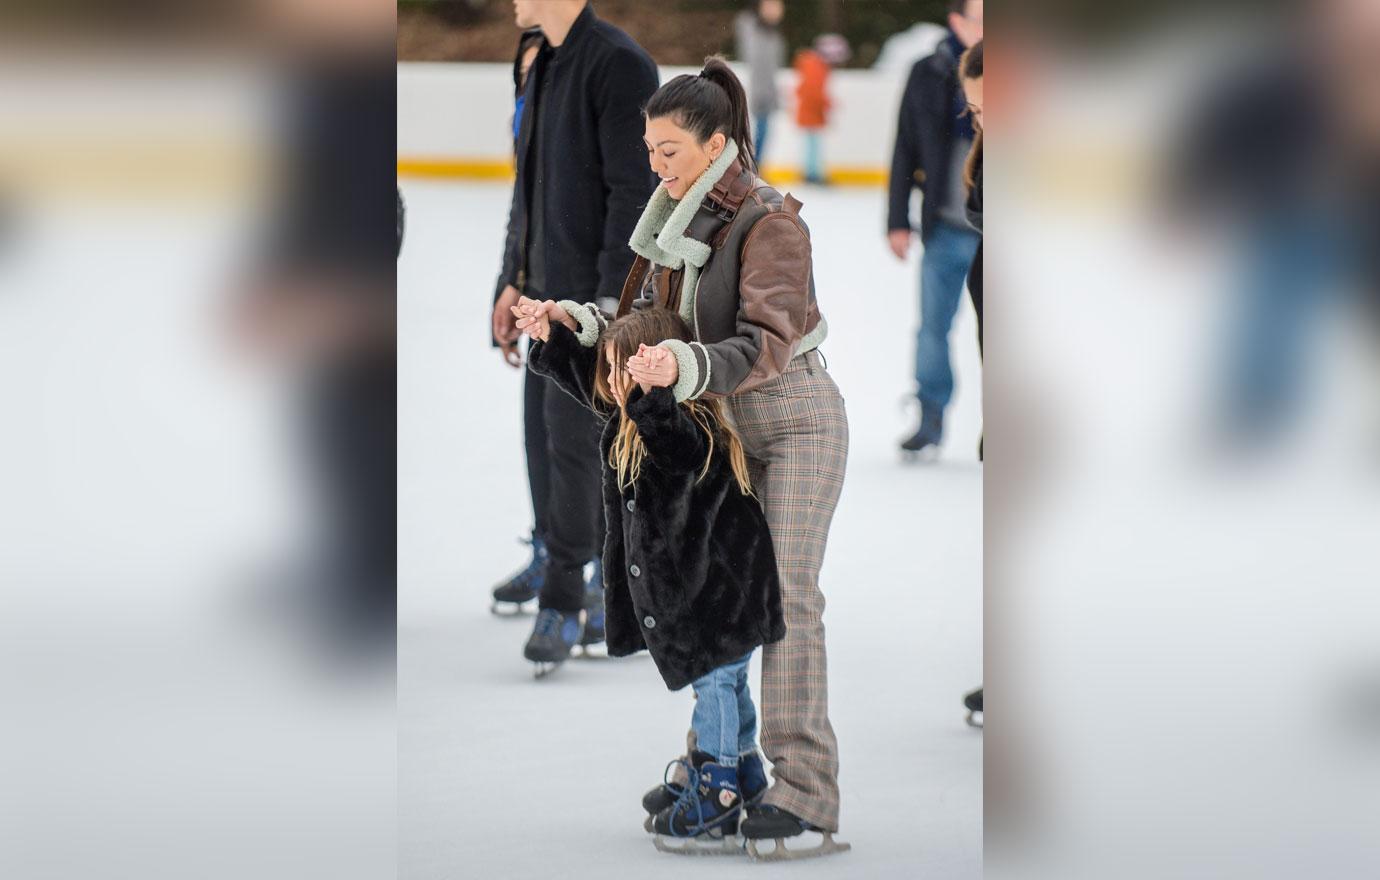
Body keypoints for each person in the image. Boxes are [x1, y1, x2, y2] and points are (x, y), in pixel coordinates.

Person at [515, 57, 851, 861]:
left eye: (668, 150)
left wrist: (684, 369)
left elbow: (766, 341)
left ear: (717, 143)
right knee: (716, 596)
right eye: (650, 149)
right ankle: (723, 761)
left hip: (793, 419)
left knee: (786, 599)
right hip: (718, 426)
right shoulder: (672, 221)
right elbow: (644, 320)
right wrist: (572, 323)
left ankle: (805, 791)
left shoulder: (770, 222)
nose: (654, 164)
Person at [519, 306, 784, 851]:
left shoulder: (688, 425)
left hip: (719, 595)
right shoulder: (630, 416)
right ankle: (748, 772)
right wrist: (555, 340)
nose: (615, 384)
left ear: (660, 375)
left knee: (714, 689)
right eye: (611, 370)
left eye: (627, 372)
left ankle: (718, 788)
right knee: (726, 685)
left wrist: (655, 398)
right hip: (713, 595)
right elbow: (590, 384)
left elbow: (675, 447)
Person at [488, 0, 658, 669]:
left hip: (590, 308)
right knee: (544, 440)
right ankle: (581, 584)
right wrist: (511, 279)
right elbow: (525, 191)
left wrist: (610, 308)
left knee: (576, 450)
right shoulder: (546, 64)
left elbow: (633, 195)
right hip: (542, 302)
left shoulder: (619, 66)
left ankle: (566, 599)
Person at [887, 0, 984, 455]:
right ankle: (930, 412)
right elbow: (905, 144)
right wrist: (896, 219)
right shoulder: (928, 72)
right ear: (957, 22)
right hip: (945, 226)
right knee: (932, 328)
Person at [734, 0, 786, 165]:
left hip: (766, 93)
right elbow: (756, 64)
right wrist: (760, 92)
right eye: (771, 6)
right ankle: (752, 166)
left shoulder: (772, 35)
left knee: (763, 132)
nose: (776, 10)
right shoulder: (752, 29)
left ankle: (755, 166)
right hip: (757, 93)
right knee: (756, 132)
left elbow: (772, 67)